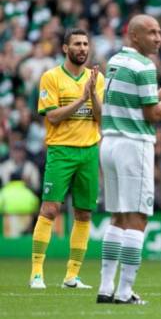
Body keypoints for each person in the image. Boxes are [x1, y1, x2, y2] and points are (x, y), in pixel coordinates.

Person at [97, 15, 161, 305]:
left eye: (159, 32)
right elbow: (153, 114)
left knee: (118, 217)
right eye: (151, 33)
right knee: (138, 218)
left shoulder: (117, 61)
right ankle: (125, 291)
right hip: (134, 145)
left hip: (110, 143)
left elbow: (146, 99)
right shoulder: (144, 66)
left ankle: (106, 288)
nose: (158, 38)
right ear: (134, 37)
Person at [30, 28, 104, 289]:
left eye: (85, 43)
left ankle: (72, 276)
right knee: (50, 209)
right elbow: (52, 116)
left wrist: (93, 93)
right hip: (61, 150)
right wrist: (81, 98)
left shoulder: (98, 78)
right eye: (77, 44)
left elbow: (100, 117)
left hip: (89, 151)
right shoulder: (51, 78)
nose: (83, 48)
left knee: (84, 214)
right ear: (65, 48)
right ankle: (37, 272)